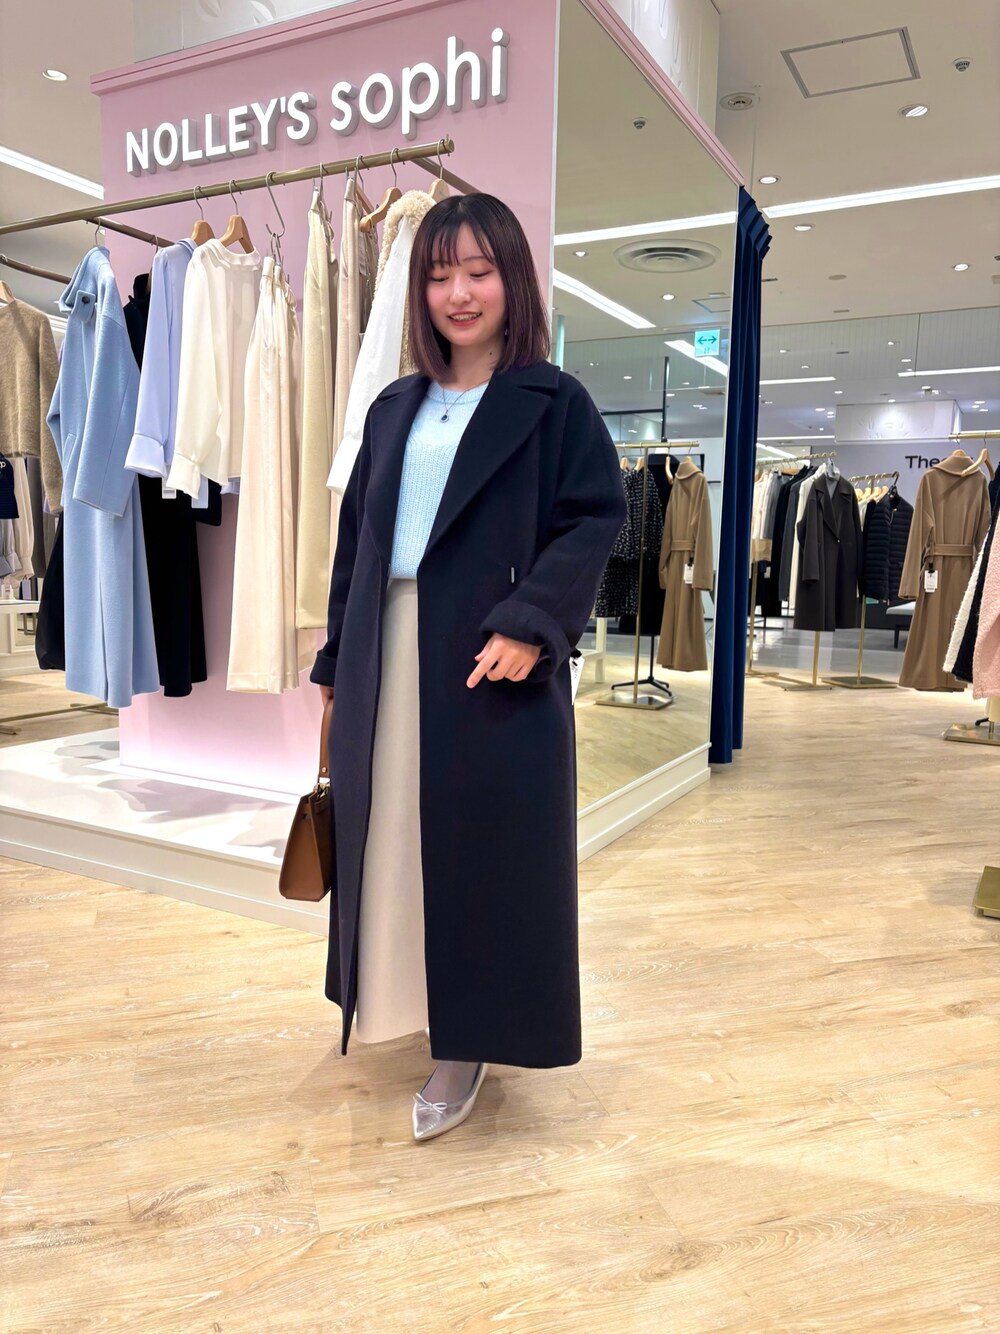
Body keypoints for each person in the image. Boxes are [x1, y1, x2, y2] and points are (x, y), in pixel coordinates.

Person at [310, 193, 626, 1142]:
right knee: (390, 839)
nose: (459, 293)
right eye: (440, 274)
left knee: (481, 854)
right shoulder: (394, 406)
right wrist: (334, 662)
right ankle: (401, 1000)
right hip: (385, 648)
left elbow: (595, 518)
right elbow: (358, 544)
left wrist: (533, 623)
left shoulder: (553, 401)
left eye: (479, 272)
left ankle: (469, 1041)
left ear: (512, 280)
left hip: (489, 661)